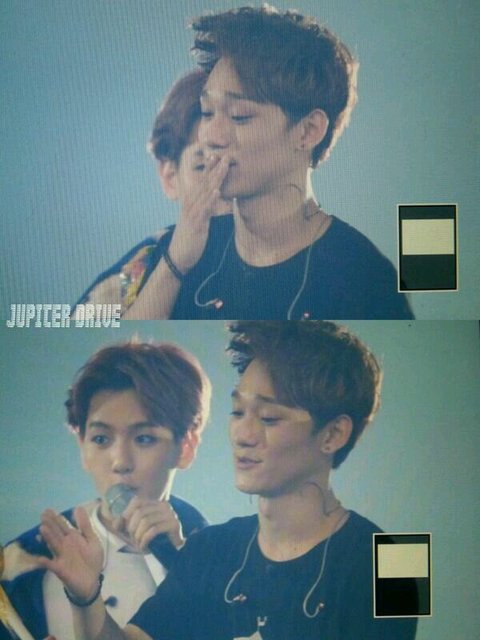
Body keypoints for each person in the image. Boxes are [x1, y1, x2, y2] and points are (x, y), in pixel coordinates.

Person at [32, 321, 417, 639]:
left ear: (333, 434)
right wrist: (86, 595)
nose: (243, 435)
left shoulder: (396, 564)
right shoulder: (209, 549)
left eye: (268, 418)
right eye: (237, 412)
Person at [124, 5, 414, 320]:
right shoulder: (182, 247)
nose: (211, 136)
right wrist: (175, 262)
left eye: (239, 116)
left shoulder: (363, 278)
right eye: (207, 112)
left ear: (308, 131)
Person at [0, 340, 211, 639]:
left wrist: (180, 559)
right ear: (82, 446)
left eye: (144, 438)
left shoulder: (224, 557)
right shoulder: (22, 568)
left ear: (186, 447)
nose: (120, 462)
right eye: (101, 439)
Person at [73, 68, 231, 316]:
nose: (222, 184)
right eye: (202, 167)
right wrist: (173, 265)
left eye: (232, 165)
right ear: (170, 178)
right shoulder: (139, 268)